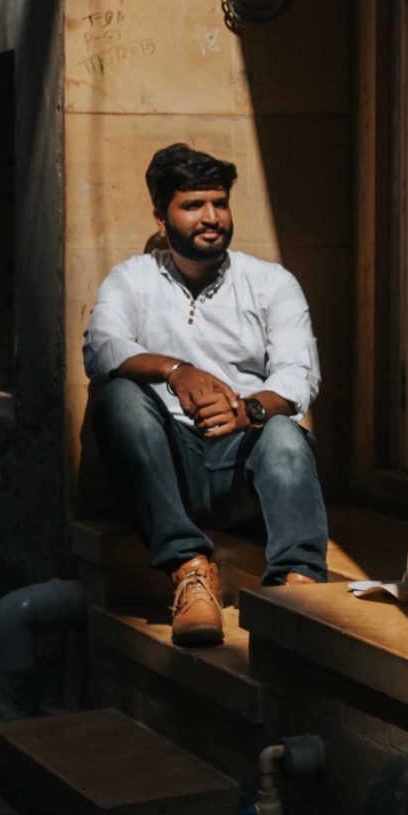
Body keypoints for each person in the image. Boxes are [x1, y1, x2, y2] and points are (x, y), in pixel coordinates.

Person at [83, 143, 328, 647]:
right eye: (193, 205)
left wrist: (249, 410)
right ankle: (190, 569)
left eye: (219, 202)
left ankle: (297, 588)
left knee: (284, 433)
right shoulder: (133, 279)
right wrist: (176, 371)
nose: (211, 217)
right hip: (164, 463)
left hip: (242, 467)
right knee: (117, 397)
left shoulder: (269, 282)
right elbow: (101, 349)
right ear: (161, 215)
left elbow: (300, 376)